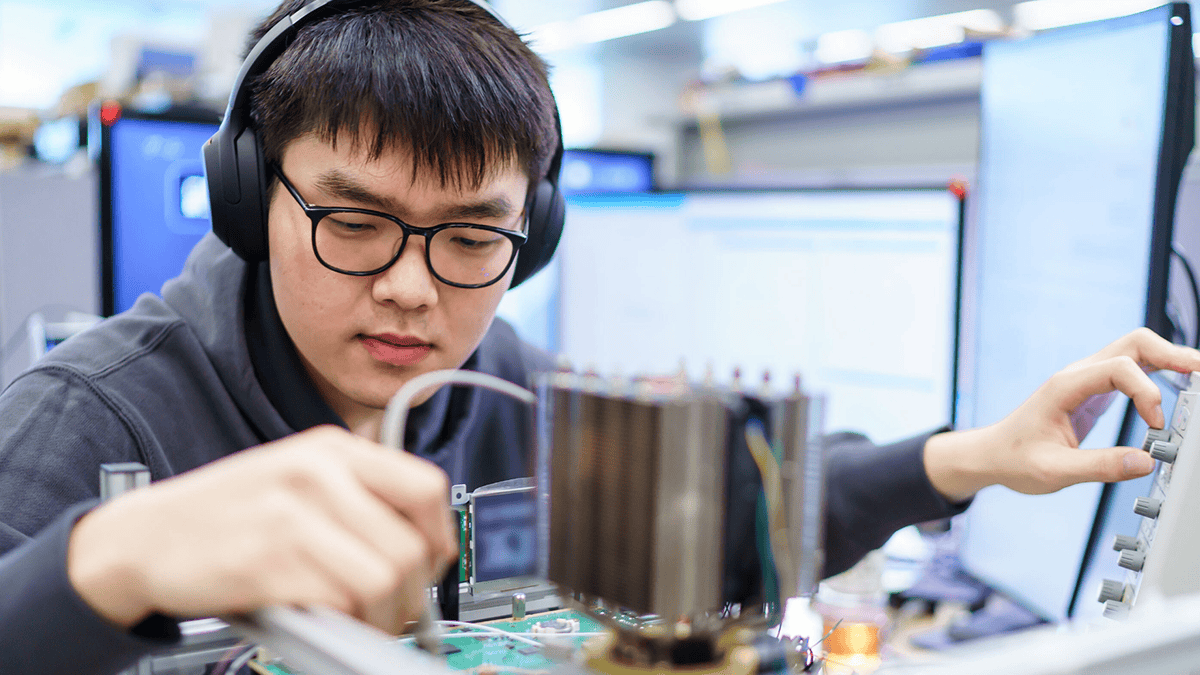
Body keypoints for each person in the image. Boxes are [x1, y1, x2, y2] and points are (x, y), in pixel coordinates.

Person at [0, 1, 1195, 673]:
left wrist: (968, 460)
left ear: (539, 232)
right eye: (357, 222)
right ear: (249, 197)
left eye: (473, 237)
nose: (416, 291)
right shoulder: (92, 419)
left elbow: (716, 514)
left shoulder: (497, 384)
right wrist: (102, 567)